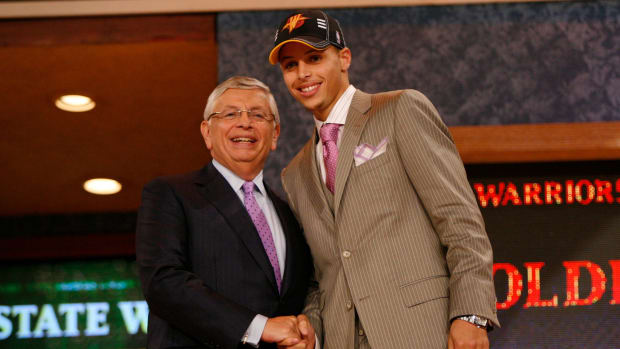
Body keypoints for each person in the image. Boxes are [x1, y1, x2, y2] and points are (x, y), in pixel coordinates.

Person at [268, 10, 500, 349]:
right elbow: (323, 279)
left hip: (425, 333)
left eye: (314, 58)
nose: (303, 74)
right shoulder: (295, 173)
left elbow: (460, 222)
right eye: (290, 65)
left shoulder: (400, 110)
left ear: (344, 58)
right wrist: (312, 332)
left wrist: (471, 315)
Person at [136, 76, 315, 349]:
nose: (245, 122)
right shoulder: (170, 194)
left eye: (258, 114)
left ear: (275, 134)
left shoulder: (290, 214)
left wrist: (305, 335)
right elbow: (163, 282)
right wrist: (258, 327)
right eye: (230, 113)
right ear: (207, 132)